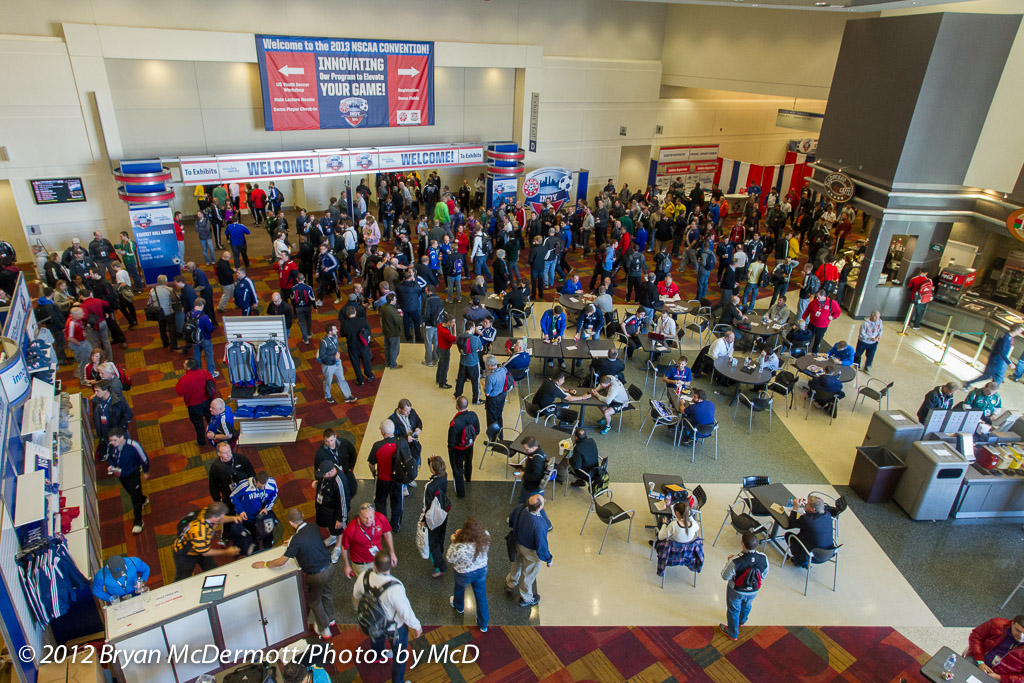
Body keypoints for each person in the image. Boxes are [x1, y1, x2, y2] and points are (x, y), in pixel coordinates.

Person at [252, 508, 335, 640]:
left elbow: (281, 562)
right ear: (302, 515)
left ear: (290, 523)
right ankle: (331, 618)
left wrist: (265, 564)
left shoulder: (296, 540)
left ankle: (324, 628)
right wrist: (292, 541)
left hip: (316, 575)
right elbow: (307, 538)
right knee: (327, 592)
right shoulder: (313, 526)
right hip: (329, 567)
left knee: (315, 601)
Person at [351, 552, 422, 683]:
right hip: (394, 627)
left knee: (376, 637)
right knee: (399, 656)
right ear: (391, 565)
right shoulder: (395, 587)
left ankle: (378, 654)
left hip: (373, 622)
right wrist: (416, 626)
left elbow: (356, 597)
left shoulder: (363, 577)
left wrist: (359, 613)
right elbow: (405, 612)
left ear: (374, 565)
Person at [172, 502, 242, 581]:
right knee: (183, 578)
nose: (223, 517)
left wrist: (233, 518)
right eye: (222, 516)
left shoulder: (206, 512)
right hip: (185, 553)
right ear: (215, 518)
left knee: (212, 570)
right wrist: (227, 552)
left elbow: (220, 519)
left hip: (200, 546)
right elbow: (205, 552)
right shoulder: (200, 532)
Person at [719, 532, 769, 641]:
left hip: (736, 590)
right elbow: (764, 574)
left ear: (743, 544)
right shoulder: (763, 558)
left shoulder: (736, 560)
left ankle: (732, 632)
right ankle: (742, 621)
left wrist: (729, 561)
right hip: (753, 590)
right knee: (747, 605)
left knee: (733, 609)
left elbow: (725, 576)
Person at [505, 494, 551, 608]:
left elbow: (511, 520)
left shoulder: (520, 508)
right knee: (528, 573)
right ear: (539, 507)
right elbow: (542, 545)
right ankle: (526, 597)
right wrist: (548, 559)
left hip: (518, 544)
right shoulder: (539, 524)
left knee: (517, 564)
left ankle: (510, 583)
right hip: (531, 552)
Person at [446, 517, 490, 632]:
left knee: (459, 589)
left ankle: (459, 607)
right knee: (481, 596)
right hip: (481, 570)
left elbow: (450, 558)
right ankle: (483, 624)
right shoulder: (485, 535)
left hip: (463, 573)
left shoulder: (459, 545)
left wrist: (453, 541)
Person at [106, 427, 149, 534]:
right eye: (111, 440)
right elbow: (110, 458)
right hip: (121, 475)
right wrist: (111, 466)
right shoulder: (111, 446)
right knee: (131, 492)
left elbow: (144, 459)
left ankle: (138, 522)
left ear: (122, 438)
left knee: (134, 498)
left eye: (115, 440)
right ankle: (143, 499)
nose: (112, 443)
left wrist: (146, 471)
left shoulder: (133, 446)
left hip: (133, 474)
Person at [340, 502, 397, 580]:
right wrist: (346, 565)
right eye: (365, 518)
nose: (368, 521)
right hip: (361, 564)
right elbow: (344, 547)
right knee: (365, 583)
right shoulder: (351, 529)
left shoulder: (380, 518)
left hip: (378, 559)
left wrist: (392, 552)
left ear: (374, 514)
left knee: (380, 580)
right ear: (359, 516)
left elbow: (387, 533)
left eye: (371, 517)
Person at [368, 419, 407, 532]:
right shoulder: (402, 442)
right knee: (397, 503)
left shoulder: (377, 446)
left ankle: (383, 526)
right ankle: (395, 525)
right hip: (397, 480)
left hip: (382, 480)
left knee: (380, 502)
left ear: (383, 432)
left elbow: (371, 464)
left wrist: (374, 473)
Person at [231, 471, 278, 552]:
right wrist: (241, 511)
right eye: (260, 487)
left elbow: (274, 496)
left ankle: (269, 548)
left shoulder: (272, 483)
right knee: (253, 537)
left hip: (263, 516)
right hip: (248, 519)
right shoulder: (244, 486)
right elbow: (233, 496)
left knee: (268, 534)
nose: (263, 488)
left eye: (264, 486)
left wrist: (267, 508)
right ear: (255, 481)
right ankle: (255, 550)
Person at [967, 615, 1024, 680]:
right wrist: (980, 662)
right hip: (978, 659)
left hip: (1003, 678)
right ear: (1012, 624)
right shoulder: (997, 624)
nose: (1020, 636)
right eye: (1017, 630)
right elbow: (976, 637)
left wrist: (1000, 678)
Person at [422, 456, 451, 578]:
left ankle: (440, 566)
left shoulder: (429, 486)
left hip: (433, 515)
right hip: (443, 512)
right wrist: (431, 460)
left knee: (431, 542)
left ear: (433, 470)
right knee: (440, 535)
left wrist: (424, 520)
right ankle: (441, 551)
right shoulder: (444, 476)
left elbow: (427, 506)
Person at [785, 495, 835, 567]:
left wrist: (795, 507)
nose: (805, 505)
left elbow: (792, 523)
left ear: (813, 509)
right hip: (829, 553)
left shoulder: (807, 520)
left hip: (813, 555)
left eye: (807, 505)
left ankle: (800, 561)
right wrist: (808, 503)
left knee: (788, 535)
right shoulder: (827, 514)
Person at [314, 461, 348, 563]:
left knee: (338, 529)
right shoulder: (326, 475)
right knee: (327, 525)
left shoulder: (339, 482)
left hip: (334, 512)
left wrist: (341, 519)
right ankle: (332, 536)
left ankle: (338, 546)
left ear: (331, 471)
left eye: (324, 474)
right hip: (324, 508)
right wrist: (318, 483)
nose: (322, 476)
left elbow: (344, 503)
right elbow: (323, 481)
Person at [447, 396, 480, 499]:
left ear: (457, 406)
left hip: (458, 449)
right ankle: (468, 477)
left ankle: (461, 493)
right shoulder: (473, 415)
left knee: (457, 470)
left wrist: (450, 449)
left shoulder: (455, 422)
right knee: (468, 462)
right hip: (469, 445)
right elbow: (477, 431)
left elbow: (451, 442)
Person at [175, 359, 214, 446]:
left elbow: (179, 392)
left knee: (198, 424)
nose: (183, 364)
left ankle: (201, 441)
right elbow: (213, 383)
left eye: (184, 363)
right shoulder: (204, 373)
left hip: (193, 405)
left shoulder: (184, 379)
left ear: (189, 367)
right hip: (207, 401)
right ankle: (215, 437)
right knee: (211, 420)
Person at [92, 382, 133, 462]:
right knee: (112, 448)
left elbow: (128, 415)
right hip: (105, 432)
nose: (95, 393)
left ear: (105, 390)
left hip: (118, 431)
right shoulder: (96, 401)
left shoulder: (118, 400)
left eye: (97, 391)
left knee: (125, 448)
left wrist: (120, 429)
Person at [318, 323, 357, 404]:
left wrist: (337, 358)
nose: (337, 330)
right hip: (328, 365)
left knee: (342, 379)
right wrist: (334, 357)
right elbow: (322, 356)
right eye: (335, 329)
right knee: (328, 381)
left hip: (337, 363)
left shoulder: (335, 337)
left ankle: (348, 396)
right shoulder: (323, 342)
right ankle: (327, 395)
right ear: (329, 331)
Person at [455, 320, 484, 403]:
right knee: (475, 381)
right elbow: (480, 348)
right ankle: (476, 399)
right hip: (473, 362)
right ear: (472, 327)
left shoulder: (459, 337)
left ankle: (458, 395)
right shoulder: (475, 339)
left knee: (461, 379)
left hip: (463, 362)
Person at [483, 354, 511, 439]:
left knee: (492, 419)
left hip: (493, 399)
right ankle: (500, 436)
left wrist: (483, 384)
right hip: (502, 396)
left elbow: (487, 392)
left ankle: (493, 439)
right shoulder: (503, 369)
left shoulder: (490, 377)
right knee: (499, 416)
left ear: (488, 365)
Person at [436, 314, 457, 389]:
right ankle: (442, 383)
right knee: (445, 367)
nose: (454, 324)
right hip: (444, 350)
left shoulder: (440, 325)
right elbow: (453, 339)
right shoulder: (445, 332)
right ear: (448, 322)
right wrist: (454, 330)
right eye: (453, 322)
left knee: (440, 364)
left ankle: (438, 379)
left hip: (439, 348)